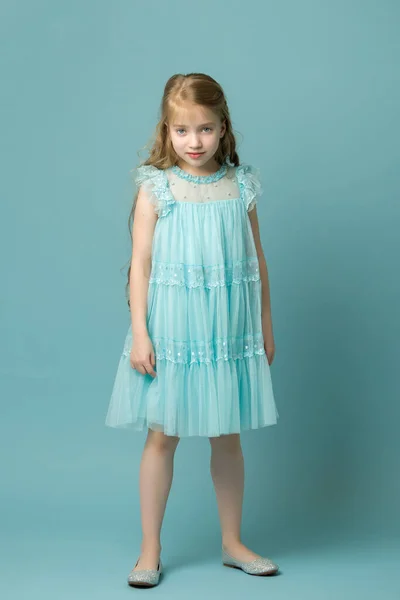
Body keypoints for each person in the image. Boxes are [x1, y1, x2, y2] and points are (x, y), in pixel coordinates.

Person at [105, 72, 280, 588]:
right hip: (174, 329)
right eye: (183, 131)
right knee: (163, 436)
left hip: (228, 328)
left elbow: (257, 259)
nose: (195, 142)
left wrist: (265, 324)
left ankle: (232, 542)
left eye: (205, 129)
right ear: (167, 130)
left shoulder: (240, 184)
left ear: (223, 128)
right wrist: (140, 331)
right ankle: (149, 550)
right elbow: (140, 263)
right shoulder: (155, 185)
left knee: (228, 436)